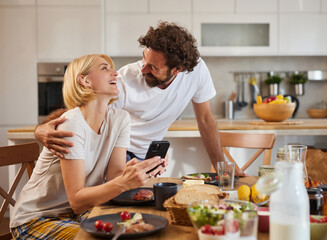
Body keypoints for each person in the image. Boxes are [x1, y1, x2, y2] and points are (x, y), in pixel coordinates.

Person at [34, 21, 245, 177]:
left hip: (151, 154)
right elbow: (82, 112)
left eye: (153, 67)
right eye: (144, 59)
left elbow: (206, 119)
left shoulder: (197, 71)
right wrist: (40, 129)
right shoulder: (124, 80)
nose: (143, 68)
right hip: (118, 153)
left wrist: (221, 165)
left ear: (178, 69)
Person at [10, 54, 166, 239]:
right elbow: (77, 200)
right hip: (38, 218)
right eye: (104, 68)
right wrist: (124, 182)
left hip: (80, 212)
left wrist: (132, 172)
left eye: (112, 68)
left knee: (136, 230)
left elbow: (115, 177)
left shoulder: (120, 119)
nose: (115, 73)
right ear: (84, 81)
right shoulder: (71, 124)